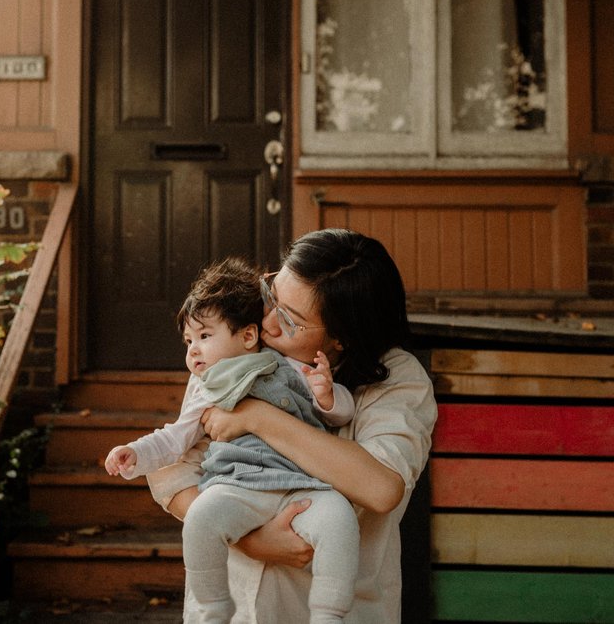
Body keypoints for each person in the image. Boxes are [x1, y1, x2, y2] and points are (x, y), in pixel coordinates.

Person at [145, 228, 438, 623]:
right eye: (271, 297)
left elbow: (382, 486)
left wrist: (259, 417)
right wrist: (250, 540)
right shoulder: (235, 350)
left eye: (290, 320)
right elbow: (174, 471)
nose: (266, 323)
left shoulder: (397, 379)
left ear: (342, 340)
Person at [104, 257, 360, 623]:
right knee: (201, 519)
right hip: (236, 485)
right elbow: (176, 437)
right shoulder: (207, 386)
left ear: (247, 335)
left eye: (205, 336)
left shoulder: (289, 365)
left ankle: (328, 613)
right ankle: (212, 610)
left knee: (339, 518)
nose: (192, 349)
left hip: (301, 484)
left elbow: (342, 413)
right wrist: (135, 453)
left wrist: (328, 396)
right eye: (189, 340)